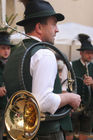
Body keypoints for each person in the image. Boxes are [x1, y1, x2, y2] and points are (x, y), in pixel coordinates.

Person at [4, 0, 81, 140]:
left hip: (18, 133)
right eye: (54, 24)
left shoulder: (14, 53)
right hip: (45, 133)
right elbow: (43, 101)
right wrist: (70, 97)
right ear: (39, 27)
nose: (57, 29)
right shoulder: (44, 53)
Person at [66, 34, 93, 140]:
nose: (90, 56)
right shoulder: (72, 65)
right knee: (69, 135)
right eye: (87, 53)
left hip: (89, 107)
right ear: (81, 53)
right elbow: (67, 85)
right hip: (73, 107)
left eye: (92, 53)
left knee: (84, 135)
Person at [0, 31, 14, 140]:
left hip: (12, 108)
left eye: (8, 48)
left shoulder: (12, 65)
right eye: (3, 48)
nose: (6, 51)